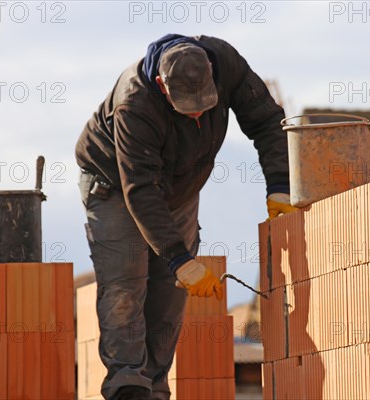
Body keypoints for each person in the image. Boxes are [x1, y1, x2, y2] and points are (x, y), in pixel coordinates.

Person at [75, 33, 297, 400]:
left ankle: (156, 388)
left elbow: (268, 122)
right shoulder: (135, 101)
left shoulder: (227, 64)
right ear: (162, 85)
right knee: (125, 285)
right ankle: (127, 387)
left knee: (169, 294)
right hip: (115, 185)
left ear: (211, 71)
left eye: (204, 105)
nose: (197, 112)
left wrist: (279, 184)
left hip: (179, 185)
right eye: (186, 107)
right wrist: (180, 257)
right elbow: (141, 190)